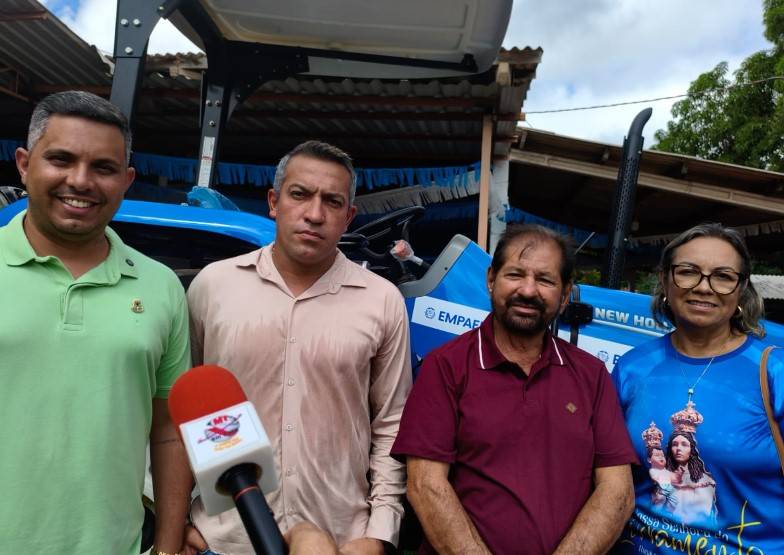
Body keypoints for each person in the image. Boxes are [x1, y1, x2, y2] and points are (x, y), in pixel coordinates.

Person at [186, 140, 412, 554]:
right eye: (300, 195)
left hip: (342, 540)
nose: (314, 214)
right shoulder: (213, 287)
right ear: (274, 202)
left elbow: (392, 424)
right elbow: (182, 409)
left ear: (349, 216)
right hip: (223, 539)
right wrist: (182, 521)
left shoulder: (381, 301)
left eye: (332, 201)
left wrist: (380, 533)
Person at [0, 91, 192, 554]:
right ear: (24, 164)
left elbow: (169, 430)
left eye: (103, 167)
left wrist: (167, 547)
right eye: (61, 160)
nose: (80, 181)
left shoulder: (161, 287)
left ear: (126, 180)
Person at [391, 224, 638, 554]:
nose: (528, 290)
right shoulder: (446, 366)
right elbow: (425, 485)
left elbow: (617, 492)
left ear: (565, 295)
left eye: (545, 280)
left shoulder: (591, 375)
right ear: (491, 279)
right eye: (515, 274)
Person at [611, 223, 784, 553]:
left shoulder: (776, 372)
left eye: (723, 276)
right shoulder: (634, 367)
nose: (704, 287)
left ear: (741, 289)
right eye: (688, 272)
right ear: (665, 279)